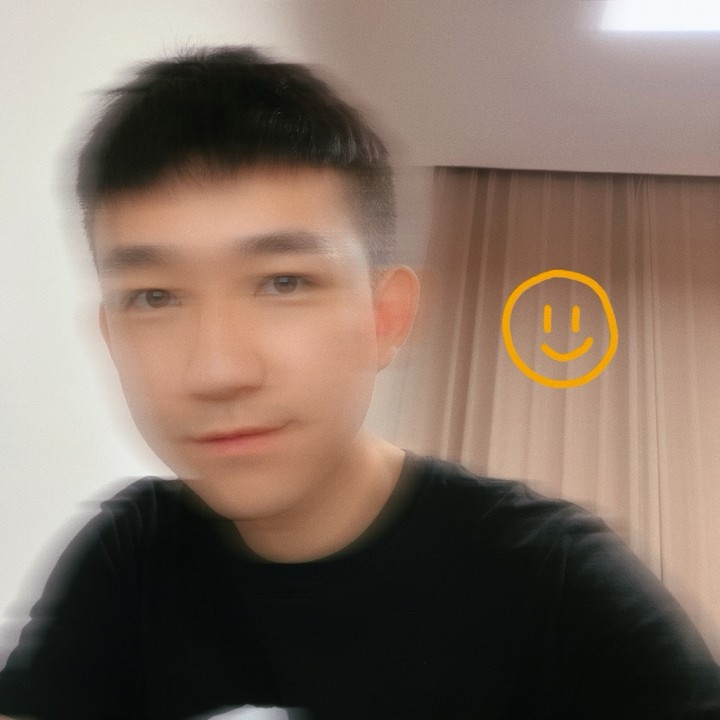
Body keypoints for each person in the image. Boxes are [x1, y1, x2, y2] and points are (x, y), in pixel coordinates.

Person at [0, 46, 719, 720]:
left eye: (283, 282)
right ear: (111, 336)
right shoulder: (131, 556)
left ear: (386, 318)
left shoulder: (557, 582)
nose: (216, 371)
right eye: (154, 296)